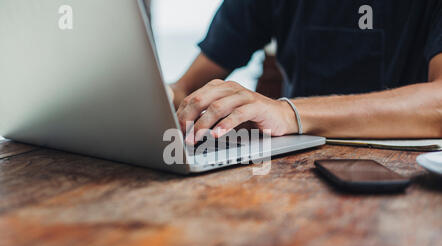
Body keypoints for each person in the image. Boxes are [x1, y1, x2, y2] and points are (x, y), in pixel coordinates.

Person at [168, 0, 442, 145]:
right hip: (294, 163)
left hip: (403, 175)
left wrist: (289, 113)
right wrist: (163, 97)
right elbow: (186, 89)